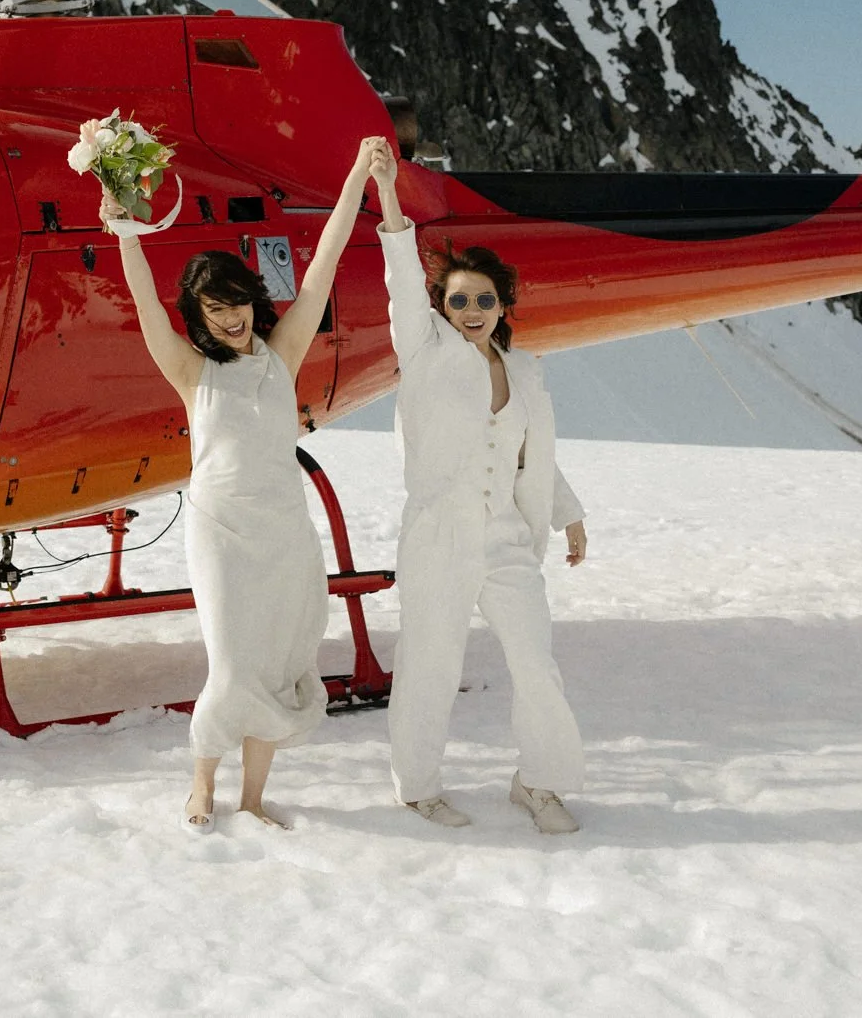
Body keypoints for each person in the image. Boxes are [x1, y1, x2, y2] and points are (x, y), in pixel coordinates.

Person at [108, 137, 385, 832]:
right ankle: (202, 781)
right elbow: (142, 300)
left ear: (251, 301)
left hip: (285, 531)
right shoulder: (191, 371)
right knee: (232, 663)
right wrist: (124, 229)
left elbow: (323, 261)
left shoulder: (280, 355)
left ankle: (254, 797)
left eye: (236, 304)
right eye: (213, 311)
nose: (230, 318)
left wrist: (355, 175)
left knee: (282, 664)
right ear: (196, 319)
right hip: (222, 532)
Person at [367, 135, 589, 835]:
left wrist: (567, 512)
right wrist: (386, 191)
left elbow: (529, 450)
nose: (470, 308)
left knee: (536, 662)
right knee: (431, 662)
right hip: (439, 533)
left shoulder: (523, 371)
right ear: (442, 303)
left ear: (501, 304)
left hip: (506, 535)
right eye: (457, 298)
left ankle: (539, 782)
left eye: (483, 299)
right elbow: (401, 274)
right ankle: (418, 785)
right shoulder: (425, 352)